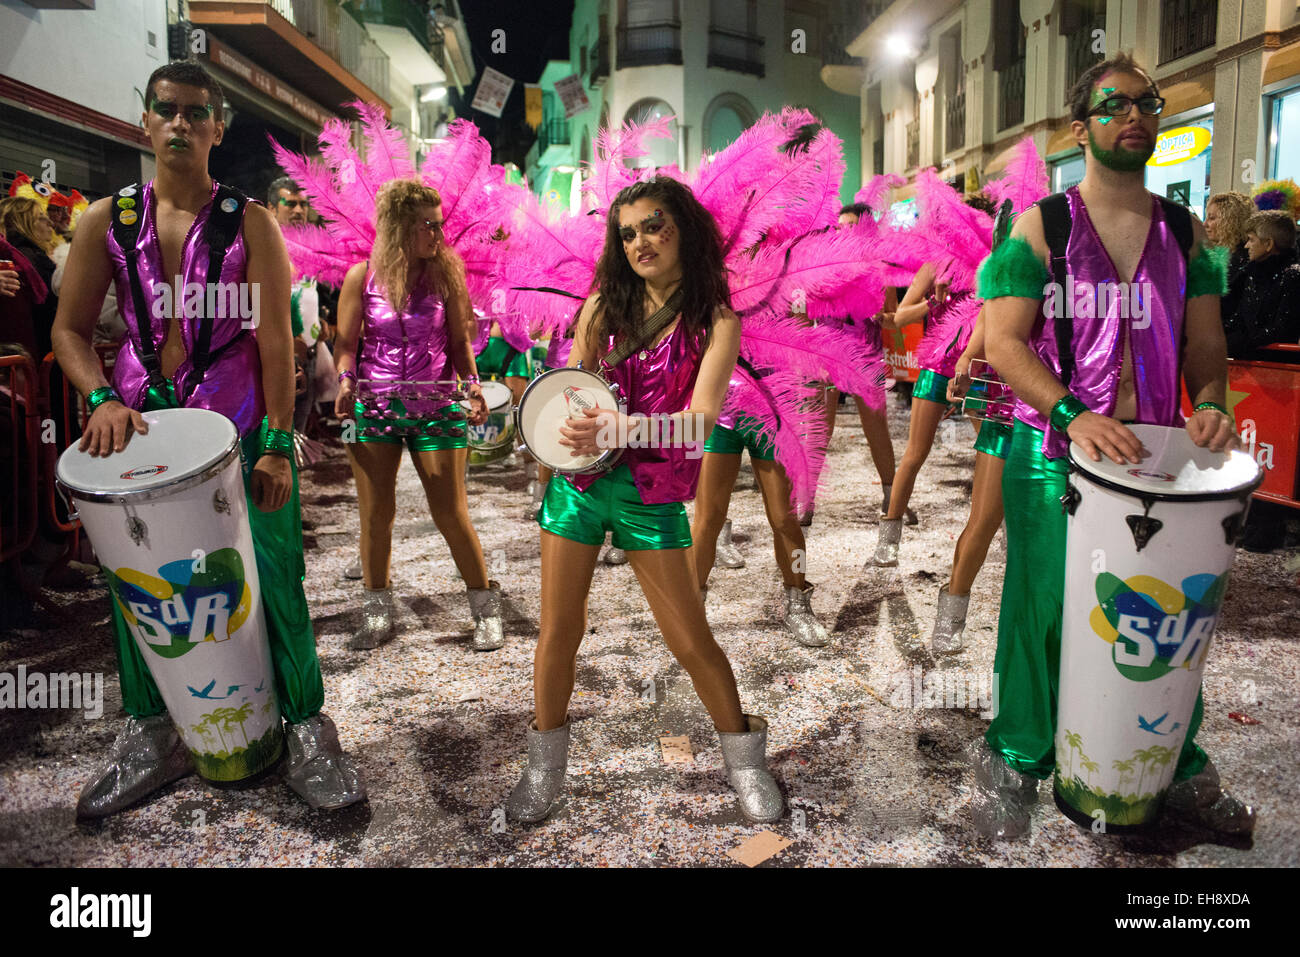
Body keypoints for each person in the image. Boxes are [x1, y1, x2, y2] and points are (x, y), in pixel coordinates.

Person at [50, 60, 365, 816]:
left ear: (218, 126)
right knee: (136, 587)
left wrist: (279, 442)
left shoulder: (250, 222)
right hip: (137, 436)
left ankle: (304, 728)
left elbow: (276, 343)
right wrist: (97, 396)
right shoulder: (103, 220)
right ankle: (151, 731)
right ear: (146, 122)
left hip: (239, 432)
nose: (182, 124)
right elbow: (68, 329)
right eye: (168, 110)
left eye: (197, 112)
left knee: (275, 577)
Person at [975, 53, 1250, 838]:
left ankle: (1175, 764)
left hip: (1156, 458)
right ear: (1081, 125)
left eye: (1146, 103)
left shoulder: (1185, 231)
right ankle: (1019, 756)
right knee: (1043, 610)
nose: (1134, 115)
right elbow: (1003, 342)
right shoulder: (1041, 226)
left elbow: (1206, 342)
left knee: (1170, 617)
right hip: (1053, 452)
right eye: (1113, 105)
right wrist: (1071, 415)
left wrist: (1210, 404)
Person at [507, 176, 782, 824]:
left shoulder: (718, 320)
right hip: (579, 490)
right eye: (627, 232)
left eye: (653, 224)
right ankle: (544, 769)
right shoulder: (603, 306)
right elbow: (574, 388)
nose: (639, 241)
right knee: (558, 632)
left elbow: (700, 421)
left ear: (683, 227)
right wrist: (547, 428)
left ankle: (746, 761)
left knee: (690, 640)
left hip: (651, 497)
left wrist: (620, 429)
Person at [332, 178, 503, 652]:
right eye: (427, 225)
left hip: (436, 406)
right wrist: (345, 381)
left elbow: (458, 342)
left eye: (439, 224)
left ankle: (484, 610)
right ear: (399, 227)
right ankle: (376, 611)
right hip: (373, 407)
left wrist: (473, 386)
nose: (437, 234)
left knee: (451, 513)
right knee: (375, 514)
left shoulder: (447, 274)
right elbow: (346, 346)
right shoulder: (360, 276)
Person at [821, 203, 908, 522]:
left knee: (877, 429)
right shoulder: (826, 265)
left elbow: (894, 319)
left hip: (866, 356)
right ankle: (806, 501)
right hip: (829, 353)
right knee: (820, 428)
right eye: (840, 225)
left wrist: (878, 315)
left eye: (851, 225)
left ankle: (891, 496)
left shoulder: (880, 271)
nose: (844, 231)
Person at [1222, 210, 1300, 358]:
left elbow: (1282, 329)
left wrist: (1238, 343)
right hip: (1250, 362)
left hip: (1277, 367)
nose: (1246, 246)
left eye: (1251, 239)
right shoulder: (1252, 274)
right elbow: (1240, 318)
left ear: (1269, 243)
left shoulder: (1293, 276)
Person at [1205, 191, 1254, 287]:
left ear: (1230, 222)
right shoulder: (1218, 254)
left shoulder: (1243, 262)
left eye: (1211, 218)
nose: (1205, 224)